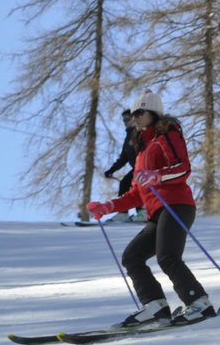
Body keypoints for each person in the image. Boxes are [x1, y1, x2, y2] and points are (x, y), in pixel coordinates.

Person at [86, 90, 213, 327]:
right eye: (133, 114)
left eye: (140, 113)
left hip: (177, 205)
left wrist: (157, 175)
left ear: (153, 113)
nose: (135, 118)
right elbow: (136, 193)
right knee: (132, 256)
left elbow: (182, 168)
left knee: (167, 256)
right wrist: (108, 206)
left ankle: (200, 303)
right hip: (157, 212)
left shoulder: (167, 135)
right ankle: (155, 306)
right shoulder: (143, 151)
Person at [102, 108, 139, 213]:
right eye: (124, 120)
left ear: (134, 118)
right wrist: (111, 170)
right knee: (125, 184)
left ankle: (142, 211)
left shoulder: (139, 132)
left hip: (144, 168)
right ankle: (123, 213)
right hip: (137, 169)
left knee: (134, 185)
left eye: (128, 119)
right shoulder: (128, 136)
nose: (125, 122)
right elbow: (124, 158)